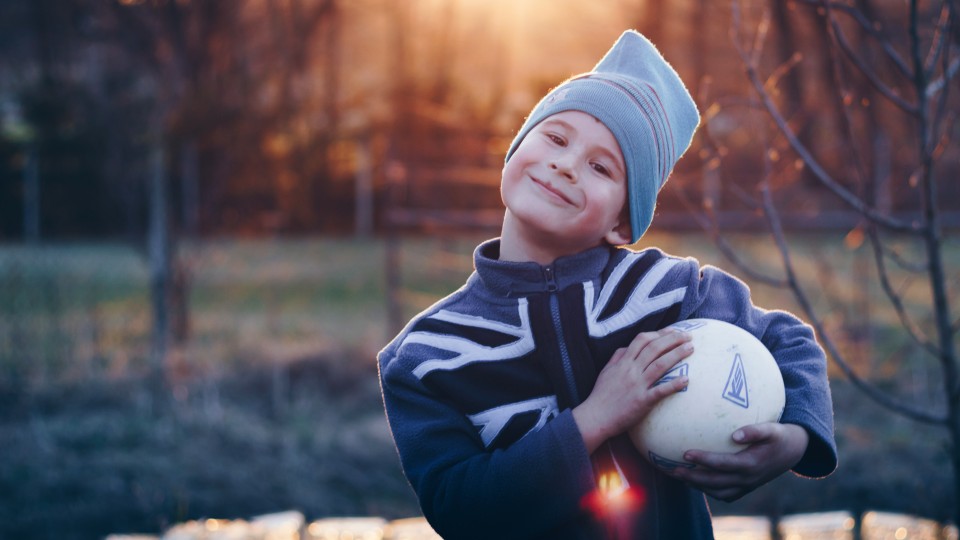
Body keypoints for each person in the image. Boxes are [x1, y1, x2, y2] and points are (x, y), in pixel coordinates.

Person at [378, 30, 837, 540]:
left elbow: (789, 341)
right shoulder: (427, 357)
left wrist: (795, 439)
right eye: (555, 138)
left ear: (622, 223)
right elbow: (459, 509)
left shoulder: (668, 292)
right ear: (513, 152)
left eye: (600, 166)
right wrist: (594, 418)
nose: (566, 165)